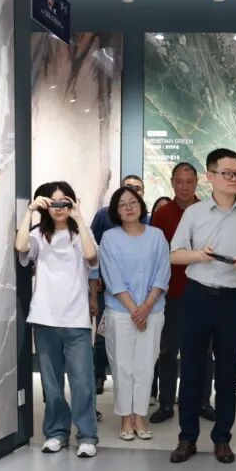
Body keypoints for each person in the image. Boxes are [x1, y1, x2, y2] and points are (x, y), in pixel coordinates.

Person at [169, 148, 236, 464]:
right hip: (197, 295)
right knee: (192, 369)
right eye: (227, 173)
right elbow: (175, 254)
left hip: (232, 298)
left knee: (227, 372)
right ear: (209, 176)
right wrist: (200, 255)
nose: (234, 178)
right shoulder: (194, 213)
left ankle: (222, 438)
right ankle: (187, 437)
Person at [15, 181, 99, 458]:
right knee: (51, 384)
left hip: (76, 319)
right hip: (45, 318)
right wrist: (30, 212)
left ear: (72, 203)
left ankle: (87, 435)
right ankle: (56, 432)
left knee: (82, 382)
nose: (59, 207)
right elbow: (20, 246)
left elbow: (91, 255)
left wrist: (80, 218)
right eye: (53, 202)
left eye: (64, 202)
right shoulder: (39, 235)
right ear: (45, 206)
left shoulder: (81, 234)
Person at [99, 186, 171, 440]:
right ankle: (125, 417)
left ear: (141, 205)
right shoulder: (109, 238)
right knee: (122, 366)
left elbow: (163, 271)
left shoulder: (157, 236)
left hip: (153, 311)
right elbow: (112, 277)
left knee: (145, 365)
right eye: (122, 204)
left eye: (133, 202)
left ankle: (139, 415)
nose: (128, 207)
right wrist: (134, 310)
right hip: (121, 312)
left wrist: (147, 306)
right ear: (116, 211)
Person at [149, 162, 215, 425]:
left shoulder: (208, 211)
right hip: (171, 293)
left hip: (202, 292)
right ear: (172, 182)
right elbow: (156, 255)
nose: (184, 187)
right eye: (179, 181)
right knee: (168, 349)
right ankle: (166, 403)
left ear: (197, 183)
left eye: (189, 182)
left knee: (204, 351)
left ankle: (202, 401)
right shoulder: (162, 215)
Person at [90, 175, 148, 395]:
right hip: (107, 287)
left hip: (139, 291)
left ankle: (133, 383)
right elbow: (94, 249)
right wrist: (96, 280)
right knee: (103, 334)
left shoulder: (148, 220)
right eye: (128, 187)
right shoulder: (104, 215)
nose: (133, 191)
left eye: (137, 188)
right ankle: (98, 375)